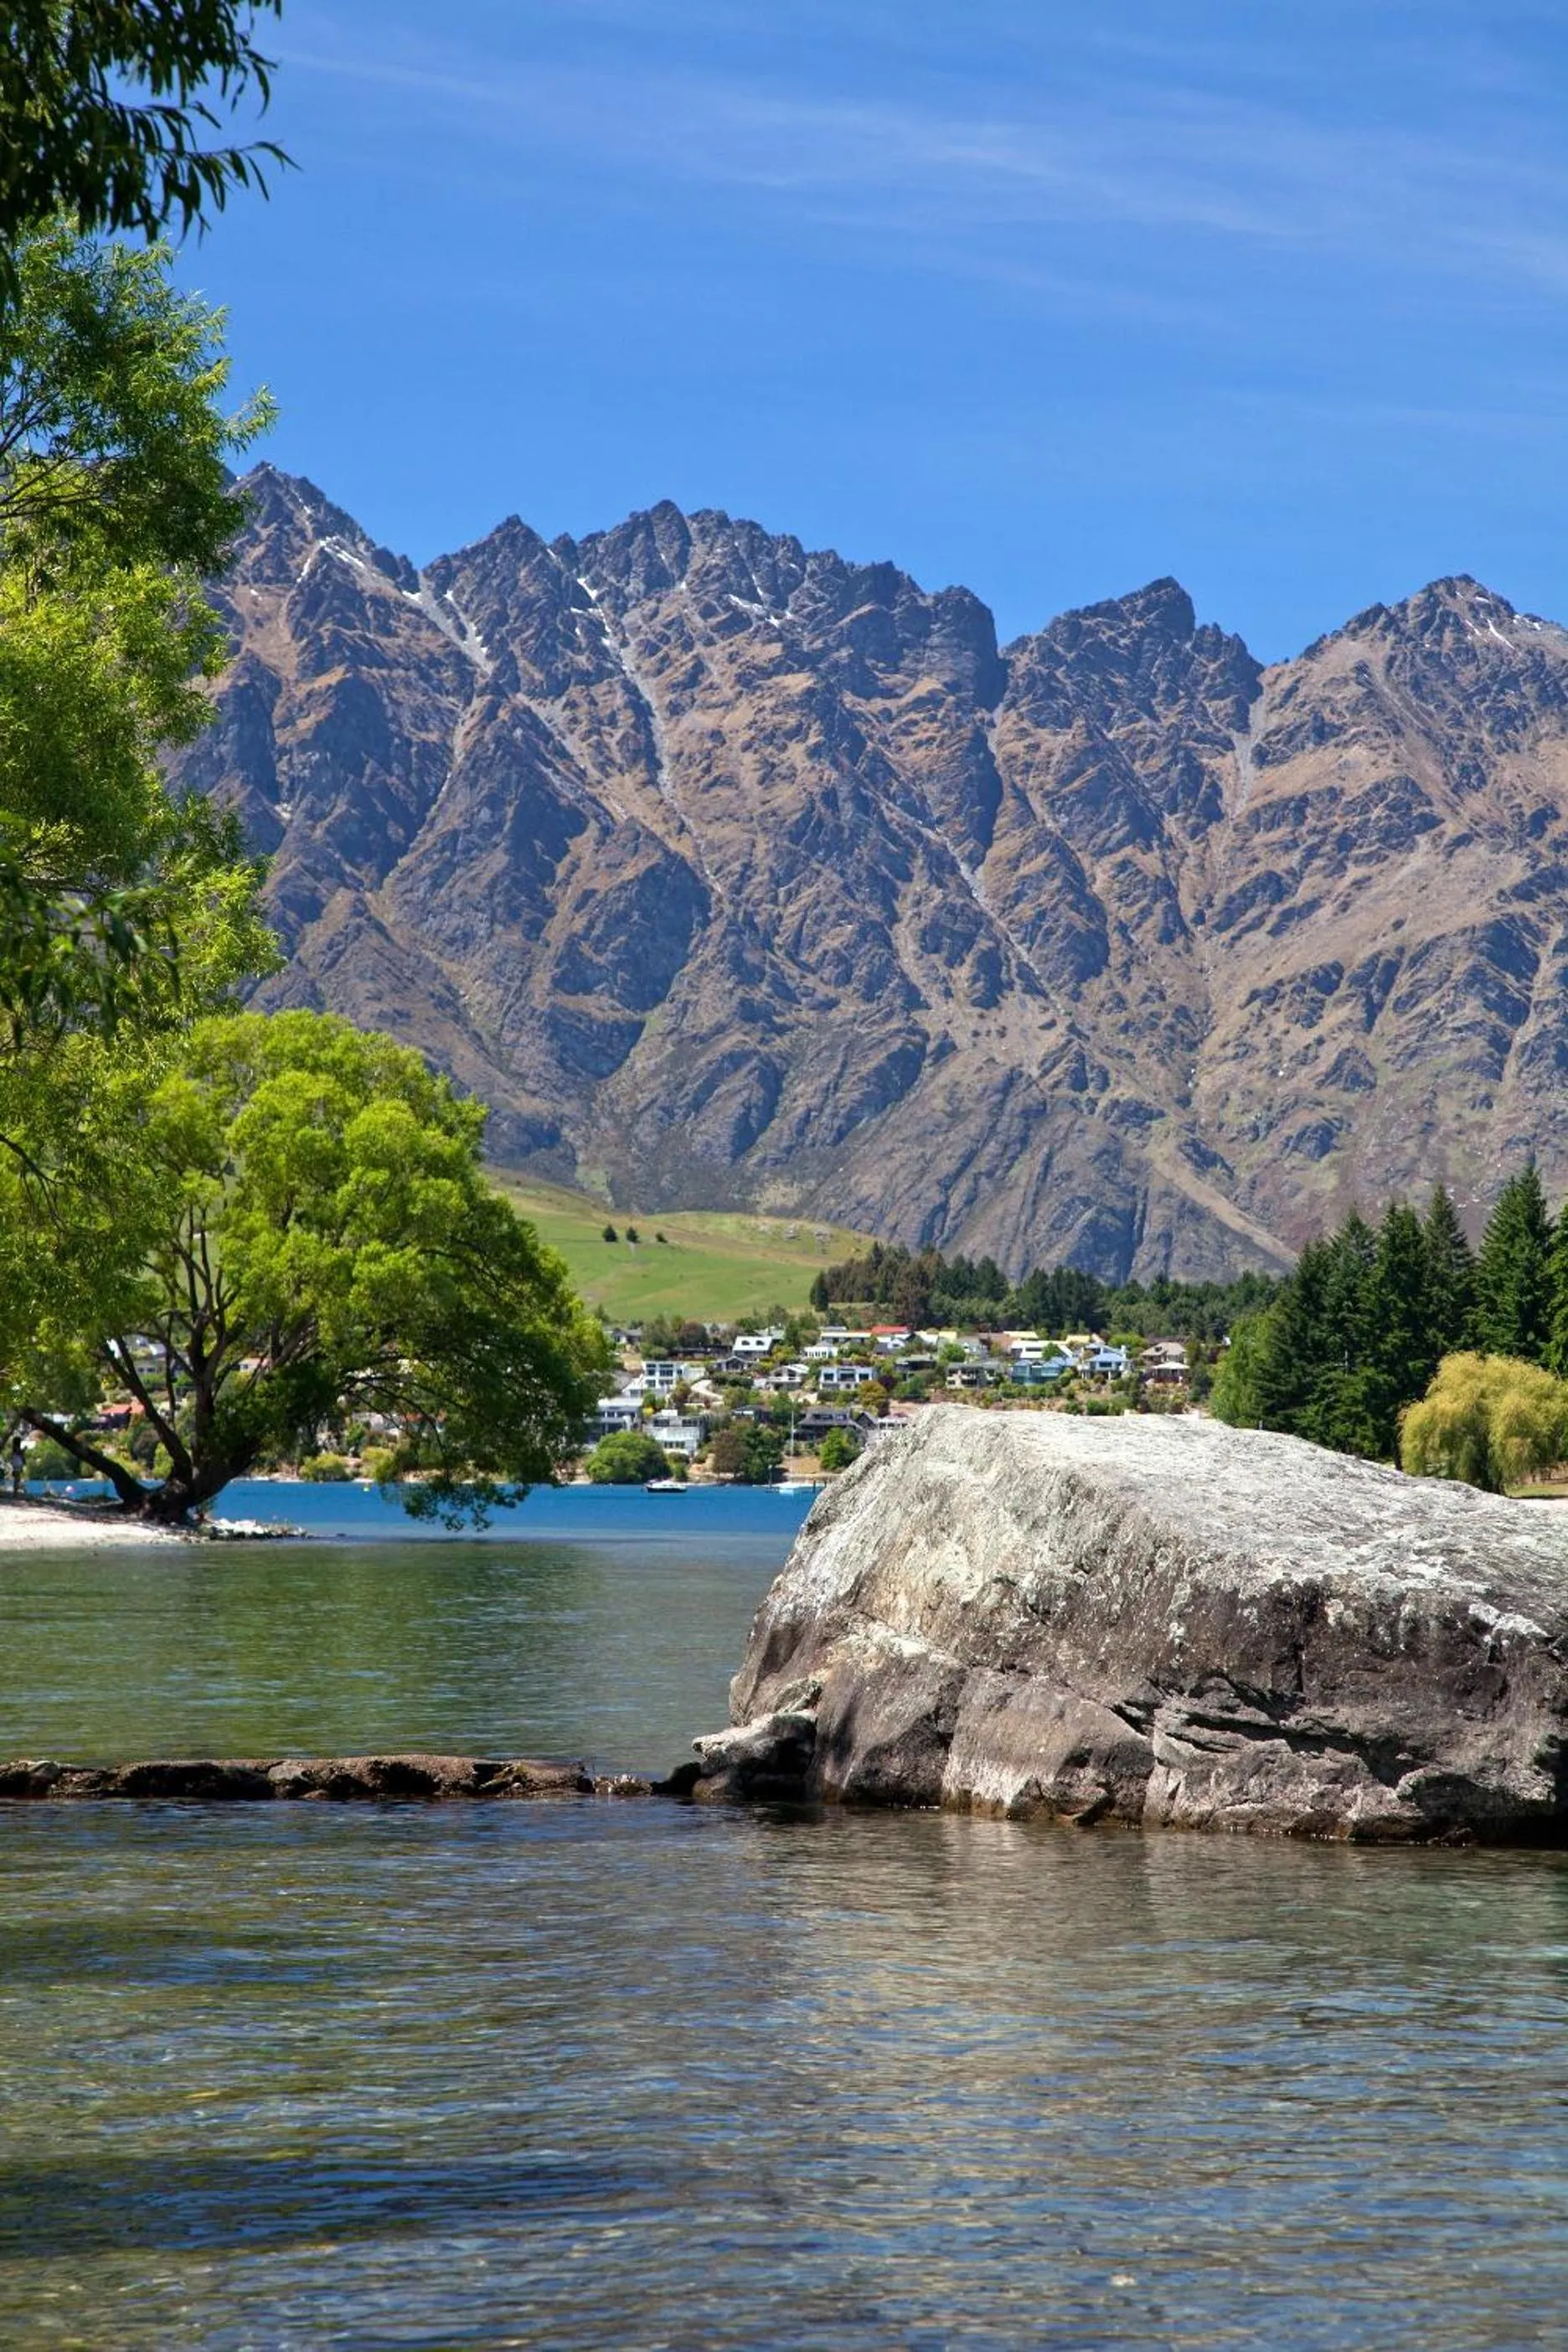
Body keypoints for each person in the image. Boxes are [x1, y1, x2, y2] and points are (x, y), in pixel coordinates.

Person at [8, 1432, 23, 1497]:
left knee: (16, 1479)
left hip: (16, 1464)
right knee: (17, 1479)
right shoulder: (17, 1449)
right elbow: (20, 1454)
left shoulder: (14, 1449)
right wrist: (24, 1450)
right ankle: (15, 1493)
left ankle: (15, 1493)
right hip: (18, 1464)